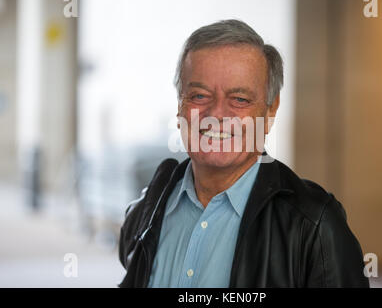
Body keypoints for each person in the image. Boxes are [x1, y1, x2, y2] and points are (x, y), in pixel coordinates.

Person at [118, 19, 369, 288]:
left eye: (239, 99)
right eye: (200, 96)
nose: (216, 114)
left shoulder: (315, 227)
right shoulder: (149, 208)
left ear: (270, 110)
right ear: (180, 104)